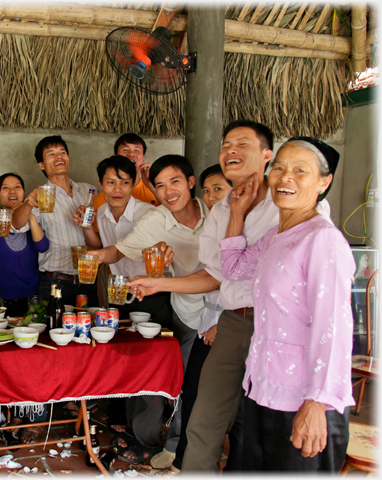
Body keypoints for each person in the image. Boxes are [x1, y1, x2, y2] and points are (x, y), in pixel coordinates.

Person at [127, 120, 330, 472]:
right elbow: (219, 274)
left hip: (282, 328)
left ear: (267, 156)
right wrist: (159, 283)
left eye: (242, 144)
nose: (230, 150)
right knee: (203, 421)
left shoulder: (294, 207)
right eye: (225, 145)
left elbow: (319, 302)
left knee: (261, 426)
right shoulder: (221, 211)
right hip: (234, 322)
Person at [219, 137, 353, 471]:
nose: (284, 177)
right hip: (264, 388)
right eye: (278, 168)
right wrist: (237, 211)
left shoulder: (322, 239)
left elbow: (332, 328)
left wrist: (316, 404)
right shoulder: (276, 236)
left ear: (324, 182)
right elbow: (233, 268)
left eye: (300, 170)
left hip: (304, 400)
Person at [89, 155, 206, 468]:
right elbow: (121, 248)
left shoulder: (216, 213)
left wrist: (159, 278)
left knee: (193, 384)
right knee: (155, 372)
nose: (168, 190)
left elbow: (221, 272)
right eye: (160, 185)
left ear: (191, 183)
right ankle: (152, 439)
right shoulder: (155, 219)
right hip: (180, 305)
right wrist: (98, 255)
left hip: (213, 309)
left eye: (175, 181)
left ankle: (180, 448)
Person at [167, 164, 239, 474]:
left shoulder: (246, 224)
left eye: (218, 189)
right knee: (192, 392)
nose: (210, 197)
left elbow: (234, 283)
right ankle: (183, 461)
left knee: (234, 409)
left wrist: (221, 323)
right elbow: (211, 277)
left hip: (229, 324)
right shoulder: (216, 223)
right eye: (207, 191)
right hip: (206, 321)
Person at [11, 135, 99, 306]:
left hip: (88, 280)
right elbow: (16, 225)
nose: (59, 157)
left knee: (90, 330)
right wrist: (28, 203)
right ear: (41, 165)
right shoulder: (41, 195)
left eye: (63, 152)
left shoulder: (88, 191)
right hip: (56, 282)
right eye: (51, 154)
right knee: (54, 331)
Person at [0, 173, 50, 317]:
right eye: (6, 188)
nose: (12, 191)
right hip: (10, 300)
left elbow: (43, 247)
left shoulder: (33, 219)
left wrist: (30, 217)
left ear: (24, 193)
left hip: (39, 295)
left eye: (17, 187)